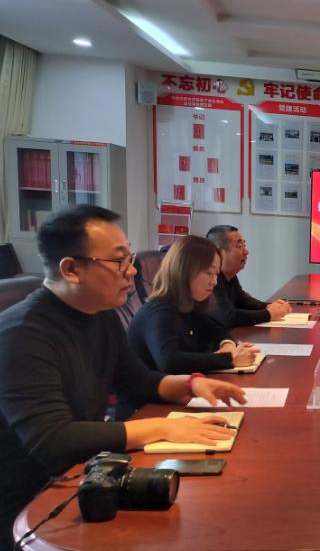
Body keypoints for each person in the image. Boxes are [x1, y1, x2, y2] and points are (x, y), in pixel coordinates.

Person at [0, 205, 246, 551]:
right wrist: (161, 428)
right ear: (71, 269)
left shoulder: (99, 315)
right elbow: (53, 439)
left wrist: (191, 384)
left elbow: (137, 381)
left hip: (86, 479)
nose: (132, 271)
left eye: (129, 259)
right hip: (31, 510)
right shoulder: (21, 334)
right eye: (119, 262)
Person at [128, 236, 260, 373]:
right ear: (185, 270)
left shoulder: (187, 306)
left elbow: (217, 331)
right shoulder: (159, 311)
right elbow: (169, 361)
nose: (214, 281)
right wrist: (230, 359)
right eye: (209, 273)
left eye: (216, 274)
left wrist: (228, 346)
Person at [205, 225, 291, 328]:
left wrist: (268, 306)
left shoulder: (230, 276)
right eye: (239, 246)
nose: (246, 252)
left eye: (244, 245)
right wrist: (268, 314)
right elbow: (227, 316)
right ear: (219, 252)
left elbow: (243, 301)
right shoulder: (210, 280)